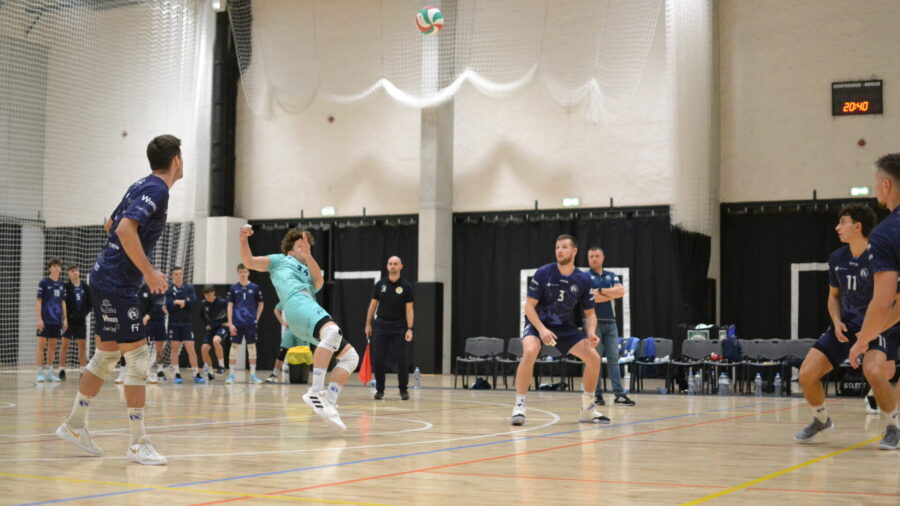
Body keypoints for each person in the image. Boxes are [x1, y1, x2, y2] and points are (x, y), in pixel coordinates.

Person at [56, 134, 182, 465]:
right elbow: (123, 230)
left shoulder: (139, 184)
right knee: (138, 360)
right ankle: (138, 443)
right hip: (117, 283)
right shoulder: (157, 190)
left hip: (104, 276)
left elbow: (110, 224)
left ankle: (74, 425)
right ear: (176, 160)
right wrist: (149, 272)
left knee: (107, 356)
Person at [793, 203, 899, 446]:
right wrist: (836, 320)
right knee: (806, 374)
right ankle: (821, 419)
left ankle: (894, 427)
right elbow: (833, 297)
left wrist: (874, 332)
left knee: (874, 371)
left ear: (858, 226)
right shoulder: (837, 258)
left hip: (878, 327)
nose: (837, 227)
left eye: (842, 222)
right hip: (847, 326)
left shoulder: (881, 256)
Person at [239, 226, 358, 430]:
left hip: (307, 309)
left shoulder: (308, 271)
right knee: (332, 331)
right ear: (291, 252)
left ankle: (329, 402)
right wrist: (243, 240)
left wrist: (309, 255)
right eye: (301, 246)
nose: (305, 249)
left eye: (307, 246)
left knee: (351, 357)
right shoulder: (281, 260)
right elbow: (249, 261)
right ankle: (316, 392)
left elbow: (319, 280)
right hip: (296, 303)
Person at [511, 235, 609, 426]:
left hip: (563, 326)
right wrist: (542, 330)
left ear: (574, 251)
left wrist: (591, 332)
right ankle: (519, 406)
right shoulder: (544, 272)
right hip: (538, 322)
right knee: (530, 350)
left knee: (594, 358)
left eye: (564, 247)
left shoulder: (582, 279)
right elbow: (529, 307)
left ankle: (587, 409)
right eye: (557, 247)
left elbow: (590, 313)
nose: (559, 251)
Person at [850, 153, 900, 450]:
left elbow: (883, 301)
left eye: (875, 183)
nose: (873, 189)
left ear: (886, 185)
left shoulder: (886, 233)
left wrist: (861, 341)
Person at [587, 247, 635, 407]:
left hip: (611, 322)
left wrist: (600, 291)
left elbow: (620, 292)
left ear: (603, 257)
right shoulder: (585, 276)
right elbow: (591, 298)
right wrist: (610, 293)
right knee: (595, 359)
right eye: (591, 256)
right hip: (593, 323)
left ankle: (619, 395)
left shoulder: (611, 275)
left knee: (614, 359)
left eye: (597, 256)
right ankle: (597, 395)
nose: (594, 259)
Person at [364, 256, 414, 400]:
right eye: (390, 264)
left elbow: (409, 309)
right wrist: (368, 324)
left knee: (402, 358)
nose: (393, 266)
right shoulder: (380, 285)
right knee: (379, 358)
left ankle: (403, 390)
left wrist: (410, 328)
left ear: (401, 266)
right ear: (387, 266)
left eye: (395, 264)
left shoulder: (406, 286)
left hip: (399, 326)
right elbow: (372, 305)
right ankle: (380, 390)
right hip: (381, 325)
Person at [225, 263, 265, 384]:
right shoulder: (233, 288)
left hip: (250, 323)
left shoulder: (255, 287)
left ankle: (252, 375)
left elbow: (261, 303)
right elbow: (230, 306)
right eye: (241, 272)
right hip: (237, 323)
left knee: (252, 348)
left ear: (248, 273)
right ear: (238, 273)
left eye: (245, 272)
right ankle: (231, 375)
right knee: (234, 348)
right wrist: (230, 323)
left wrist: (256, 318)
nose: (243, 274)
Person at [164, 266, 204, 384]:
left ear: (183, 275)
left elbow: (194, 302)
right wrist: (184, 302)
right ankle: (176, 374)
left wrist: (180, 302)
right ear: (172, 276)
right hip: (174, 324)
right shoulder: (169, 290)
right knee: (174, 349)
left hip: (187, 324)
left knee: (191, 348)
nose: (178, 276)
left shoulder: (189, 288)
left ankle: (196, 374)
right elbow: (169, 307)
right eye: (176, 274)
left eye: (180, 274)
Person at [36, 258, 67, 383]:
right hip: (45, 320)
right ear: (49, 268)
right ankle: (39, 373)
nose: (56, 268)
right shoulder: (44, 282)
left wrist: (65, 319)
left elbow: (63, 302)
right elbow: (39, 301)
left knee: (53, 346)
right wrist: (39, 319)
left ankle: (49, 373)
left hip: (56, 320)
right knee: (41, 345)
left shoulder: (62, 284)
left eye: (58, 266)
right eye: (53, 266)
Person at [60, 265, 90, 380]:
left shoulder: (85, 287)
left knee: (82, 346)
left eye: (77, 270)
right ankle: (62, 370)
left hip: (81, 321)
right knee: (65, 345)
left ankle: (83, 371)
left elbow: (90, 303)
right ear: (69, 273)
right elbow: (63, 303)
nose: (75, 273)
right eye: (73, 271)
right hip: (69, 320)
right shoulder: (66, 287)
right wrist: (65, 318)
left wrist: (84, 313)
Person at [139, 282, 168, 383]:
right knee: (146, 348)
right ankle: (145, 371)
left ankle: (160, 370)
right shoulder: (144, 288)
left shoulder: (164, 288)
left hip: (160, 321)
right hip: (149, 322)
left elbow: (167, 304)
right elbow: (145, 305)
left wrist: (167, 308)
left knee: (159, 347)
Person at [200, 285, 228, 381]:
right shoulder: (204, 304)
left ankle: (221, 366)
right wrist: (206, 324)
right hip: (211, 328)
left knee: (216, 340)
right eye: (206, 295)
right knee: (204, 348)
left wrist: (230, 322)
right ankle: (210, 372)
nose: (208, 297)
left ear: (213, 293)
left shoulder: (222, 302)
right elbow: (201, 315)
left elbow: (232, 310)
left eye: (209, 295)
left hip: (222, 327)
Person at [266, 302, 290, 383]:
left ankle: (306, 376)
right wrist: (283, 322)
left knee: (305, 353)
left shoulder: (307, 297)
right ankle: (274, 374)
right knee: (282, 352)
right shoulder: (287, 298)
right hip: (290, 330)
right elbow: (276, 310)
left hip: (303, 331)